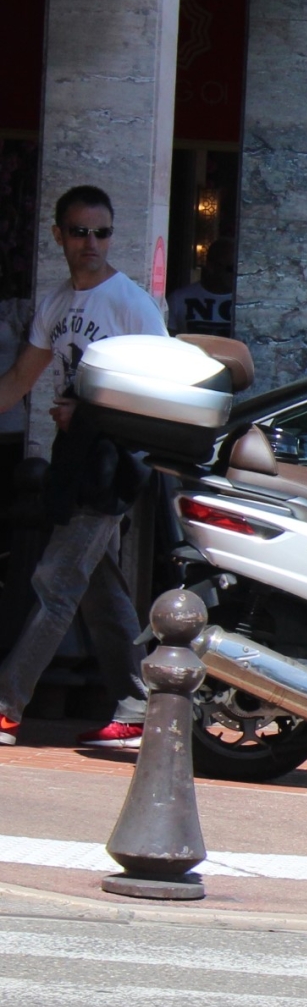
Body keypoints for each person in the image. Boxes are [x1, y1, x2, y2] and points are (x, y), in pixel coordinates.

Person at [0, 187, 167, 749]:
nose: (91, 244)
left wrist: (90, 410)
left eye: (102, 233)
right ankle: (139, 704)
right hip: (74, 463)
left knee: (55, 581)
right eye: (79, 232)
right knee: (98, 589)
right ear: (59, 236)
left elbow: (162, 387)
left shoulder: (131, 304)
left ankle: (6, 705)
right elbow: (20, 380)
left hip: (112, 462)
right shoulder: (56, 304)